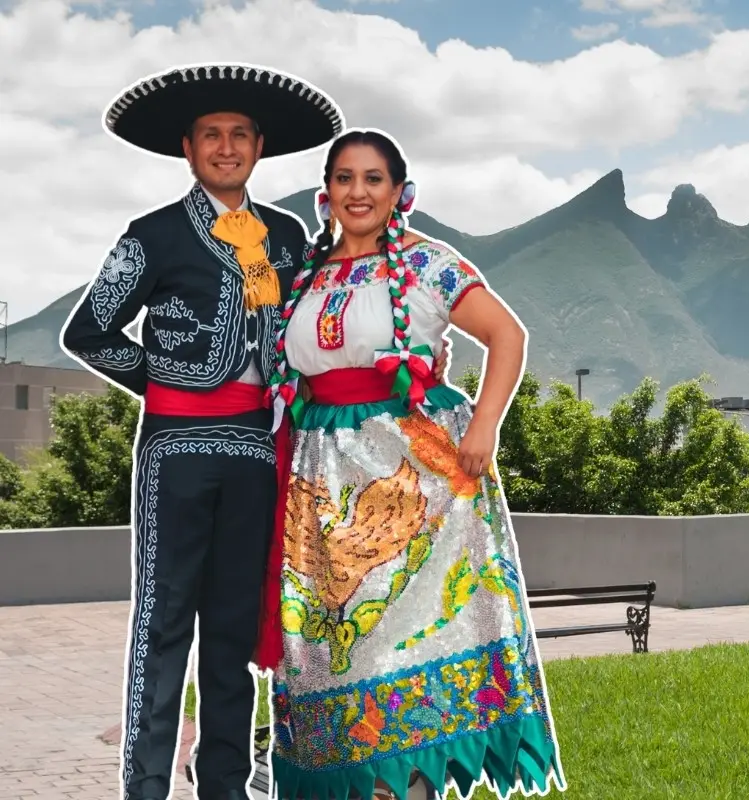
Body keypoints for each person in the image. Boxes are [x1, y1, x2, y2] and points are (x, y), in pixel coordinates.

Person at [58, 63, 438, 800]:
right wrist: (165, 381)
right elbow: (88, 330)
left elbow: (333, 312)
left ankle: (225, 785)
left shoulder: (290, 236)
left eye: (238, 135)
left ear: (259, 146)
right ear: (188, 147)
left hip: (258, 452)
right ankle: (143, 785)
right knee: (164, 626)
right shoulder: (152, 236)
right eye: (210, 135)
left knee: (234, 632)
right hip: (174, 451)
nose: (225, 147)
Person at [256, 128, 566, 800]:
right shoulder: (304, 274)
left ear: (399, 192)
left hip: (416, 485)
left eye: (373, 179)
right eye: (344, 178)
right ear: (326, 192)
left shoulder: (430, 265)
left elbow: (506, 334)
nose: (357, 191)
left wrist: (484, 422)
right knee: (327, 666)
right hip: (319, 487)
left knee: (408, 653)